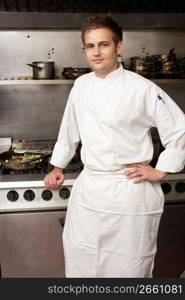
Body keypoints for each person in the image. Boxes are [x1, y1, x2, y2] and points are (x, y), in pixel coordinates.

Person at [44, 15, 185, 278]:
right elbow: (69, 129)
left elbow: (180, 128)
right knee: (82, 263)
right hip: (90, 190)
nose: (96, 52)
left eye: (103, 44)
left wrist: (161, 169)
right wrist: (57, 166)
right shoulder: (81, 86)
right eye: (90, 46)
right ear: (84, 49)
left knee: (128, 269)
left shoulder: (141, 88)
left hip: (128, 192)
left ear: (119, 47)